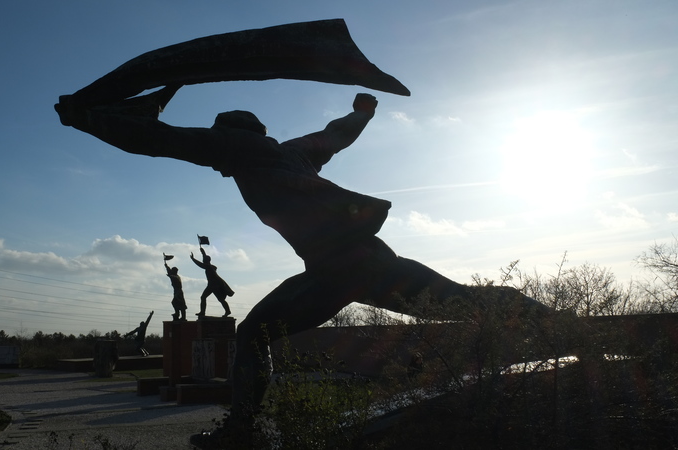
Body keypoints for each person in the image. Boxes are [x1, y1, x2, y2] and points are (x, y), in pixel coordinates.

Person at [55, 86, 554, 436]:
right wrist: (363, 112)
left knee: (254, 334)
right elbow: (335, 134)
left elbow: (158, 140)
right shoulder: (291, 152)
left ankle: (243, 429)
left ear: (228, 134)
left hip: (335, 268)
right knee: (465, 300)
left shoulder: (235, 146)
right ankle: (571, 328)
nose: (220, 168)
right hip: (371, 260)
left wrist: (86, 119)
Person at [190, 247, 234, 318]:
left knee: (220, 299)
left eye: (204, 260)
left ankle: (227, 311)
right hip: (211, 285)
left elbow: (200, 264)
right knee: (203, 297)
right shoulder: (209, 266)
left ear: (206, 261)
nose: (203, 260)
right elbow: (205, 259)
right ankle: (202, 312)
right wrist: (203, 252)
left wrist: (193, 259)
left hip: (215, 285)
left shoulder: (208, 267)